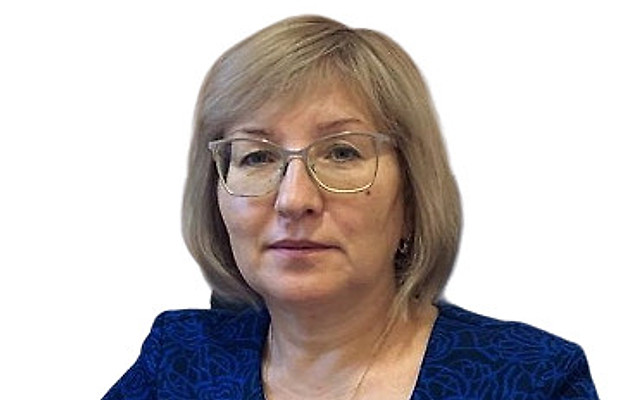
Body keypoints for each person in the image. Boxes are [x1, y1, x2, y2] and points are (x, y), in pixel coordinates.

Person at [103, 15, 598, 399]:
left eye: (341, 153)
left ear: (413, 198)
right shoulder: (180, 361)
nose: (294, 200)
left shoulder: (532, 379)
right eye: (257, 156)